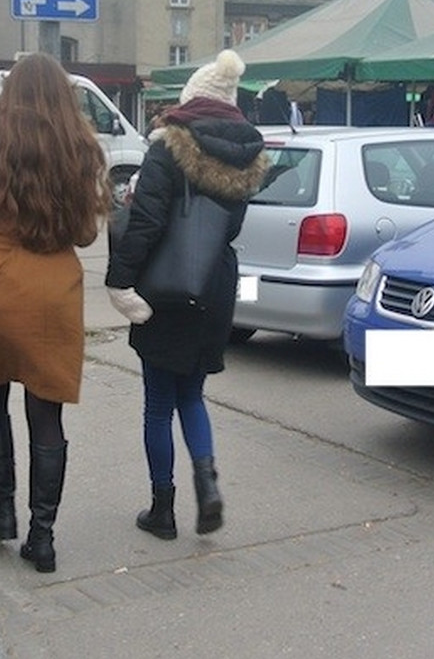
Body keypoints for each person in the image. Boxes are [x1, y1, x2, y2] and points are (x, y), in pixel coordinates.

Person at [0, 52, 112, 573]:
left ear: (11, 90)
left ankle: (3, 511)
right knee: (45, 415)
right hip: (54, 296)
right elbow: (84, 234)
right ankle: (43, 537)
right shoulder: (79, 148)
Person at [105, 49, 268, 541]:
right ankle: (208, 486)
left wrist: (120, 279)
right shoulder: (246, 156)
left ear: (192, 98)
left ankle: (163, 510)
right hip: (214, 285)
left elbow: (148, 223)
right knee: (192, 396)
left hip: (166, 287)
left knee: (158, 404)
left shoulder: (168, 146)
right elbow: (230, 225)